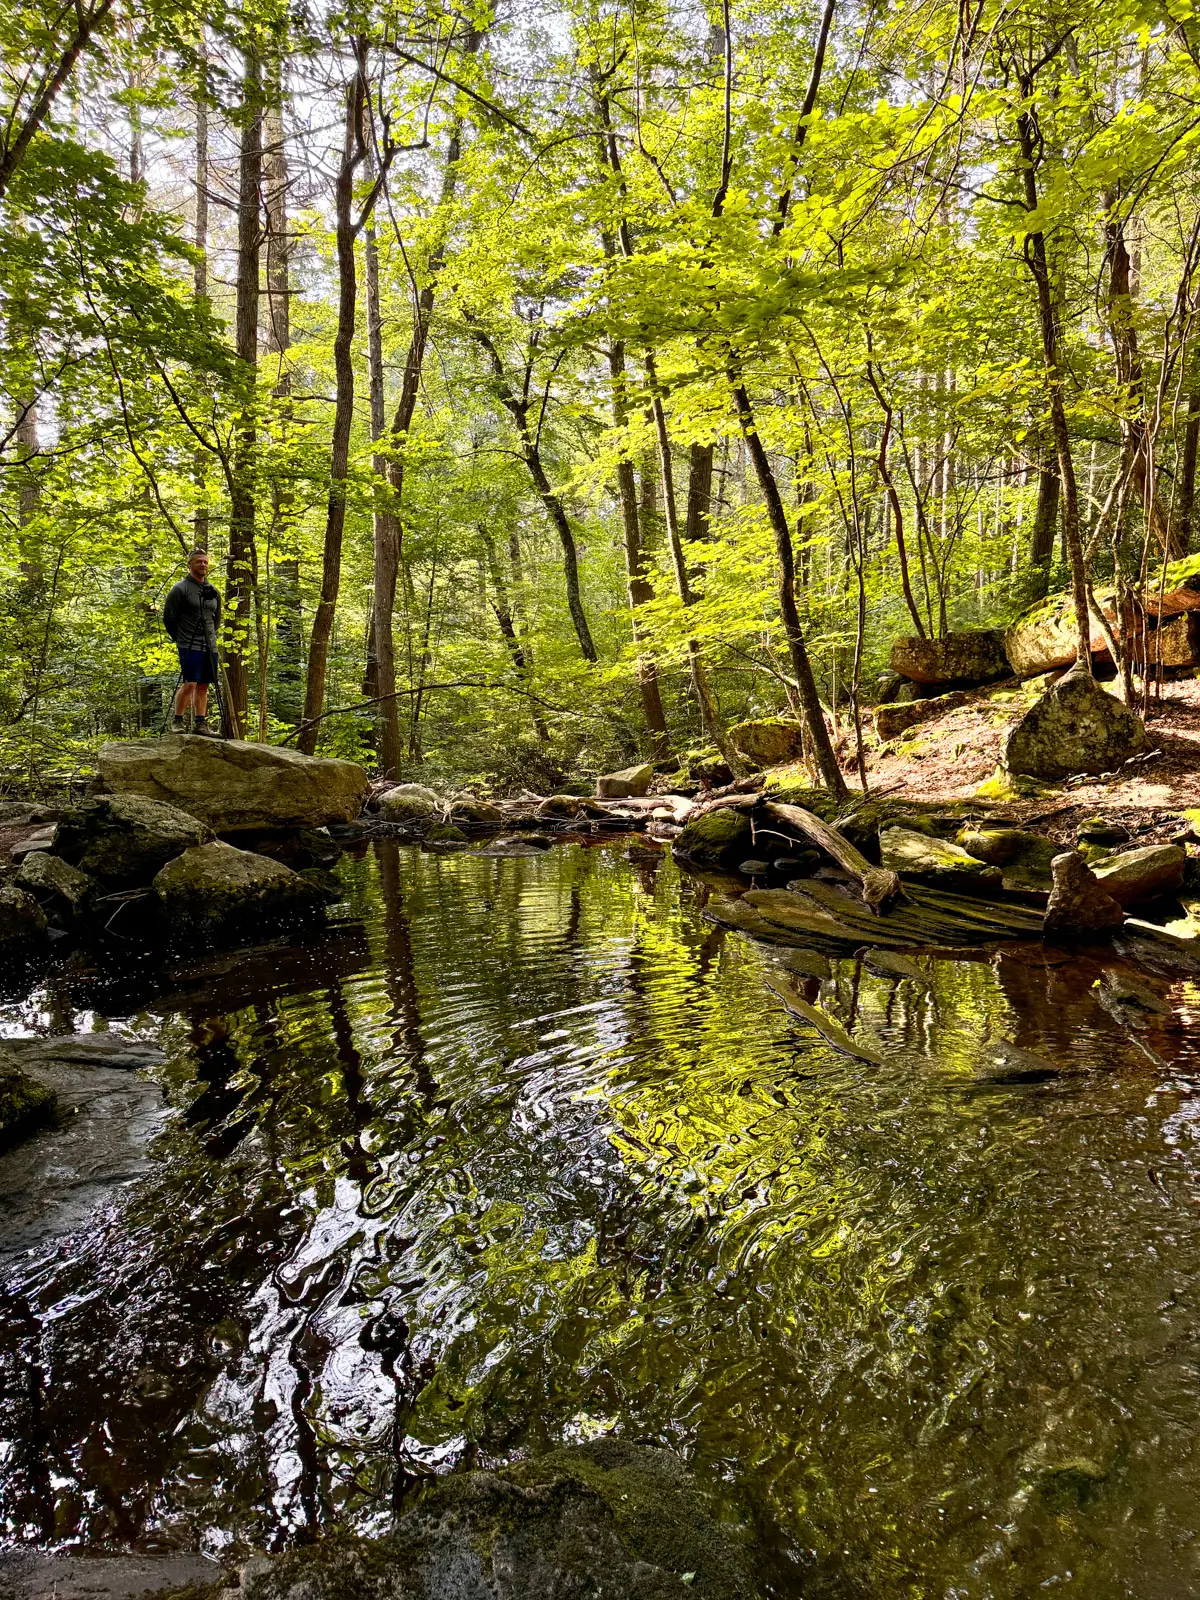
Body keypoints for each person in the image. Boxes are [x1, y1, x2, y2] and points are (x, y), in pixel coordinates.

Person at [162, 549, 222, 736]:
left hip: (209, 645)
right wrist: (181, 638)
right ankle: (177, 722)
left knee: (204, 685)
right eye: (199, 562)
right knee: (190, 683)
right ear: (190, 564)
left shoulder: (212, 591)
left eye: (205, 562)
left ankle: (200, 723)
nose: (203, 565)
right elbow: (169, 618)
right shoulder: (180, 588)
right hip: (189, 644)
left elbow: (216, 618)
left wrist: (211, 637)